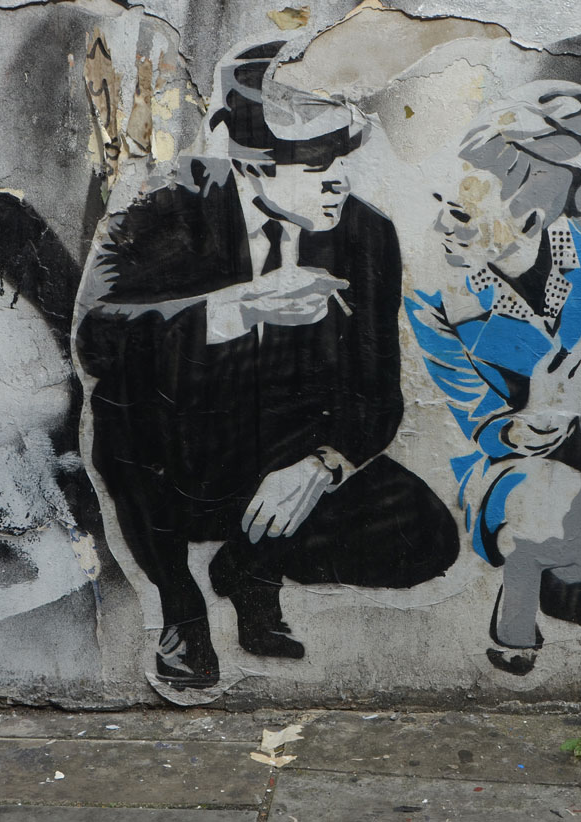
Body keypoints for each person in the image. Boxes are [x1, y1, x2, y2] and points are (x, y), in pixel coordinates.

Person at [75, 42, 458, 690]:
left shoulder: (365, 235)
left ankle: (249, 567)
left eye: (341, 151)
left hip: (281, 461)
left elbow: (377, 396)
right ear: (249, 167)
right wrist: (236, 309)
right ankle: (181, 607)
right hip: (178, 461)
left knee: (424, 537)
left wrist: (322, 466)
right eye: (311, 159)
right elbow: (97, 338)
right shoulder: (168, 203)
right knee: (123, 406)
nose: (336, 174)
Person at [406, 83, 581, 675]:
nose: (441, 226)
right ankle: (520, 587)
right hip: (520, 482)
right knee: (553, 504)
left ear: (526, 212)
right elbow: (477, 415)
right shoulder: (436, 299)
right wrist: (531, 419)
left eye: (459, 212)